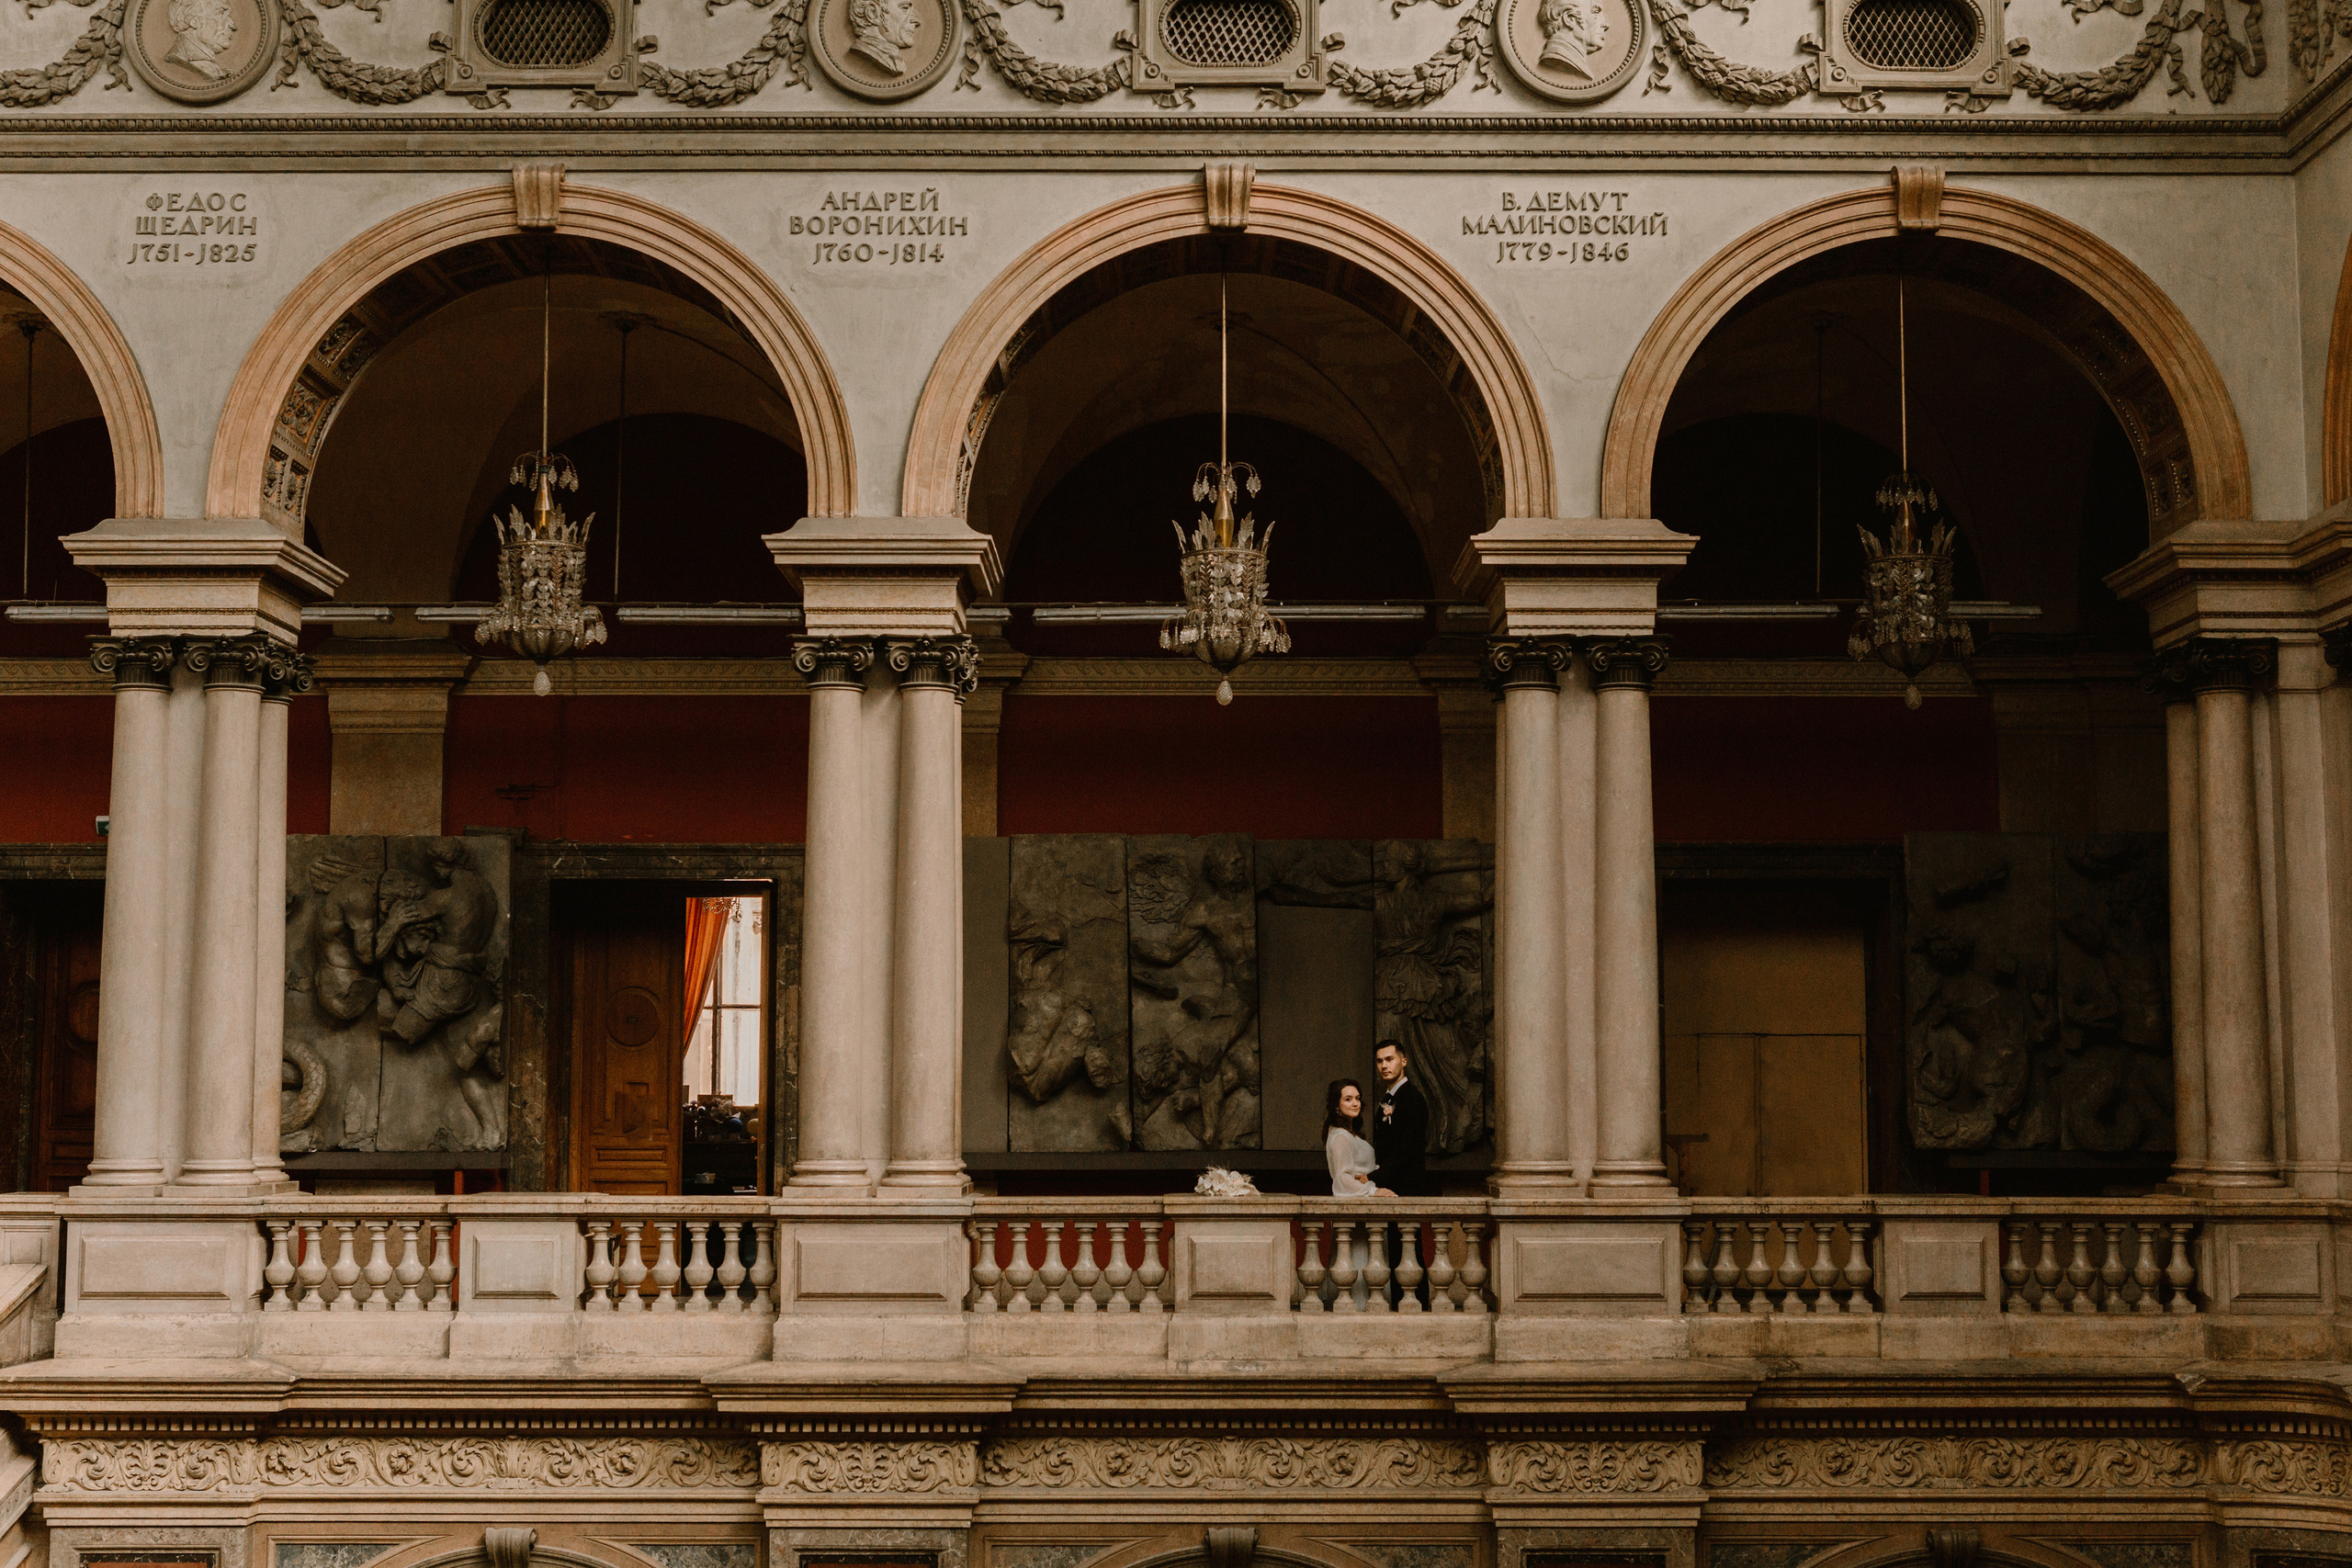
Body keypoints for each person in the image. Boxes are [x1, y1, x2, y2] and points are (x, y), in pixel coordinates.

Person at [1369, 1042, 1432, 1198]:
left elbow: (1408, 1150)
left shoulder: (1412, 1098)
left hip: (1407, 1189)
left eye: (1389, 1059)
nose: (1384, 1065)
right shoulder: (1389, 1099)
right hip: (1388, 1188)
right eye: (1379, 1061)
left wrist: (1372, 1178)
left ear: (1403, 1062)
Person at [1324, 1078, 1391, 1199]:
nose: (1355, 1103)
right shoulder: (1340, 1137)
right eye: (1348, 1099)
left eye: (1357, 1098)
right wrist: (1372, 1191)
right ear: (1336, 1106)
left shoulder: (1350, 1134)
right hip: (1354, 1201)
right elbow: (1342, 1177)